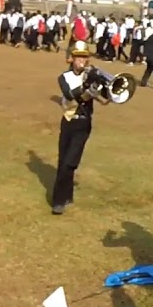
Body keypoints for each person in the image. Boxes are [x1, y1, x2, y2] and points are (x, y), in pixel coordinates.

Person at [51, 40, 108, 215]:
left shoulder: (92, 77)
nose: (81, 61)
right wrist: (85, 85)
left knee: (70, 163)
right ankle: (67, 195)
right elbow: (69, 95)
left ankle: (57, 201)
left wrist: (103, 86)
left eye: (84, 57)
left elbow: (105, 100)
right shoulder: (64, 77)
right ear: (71, 59)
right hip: (67, 121)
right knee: (63, 162)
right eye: (78, 57)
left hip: (83, 123)